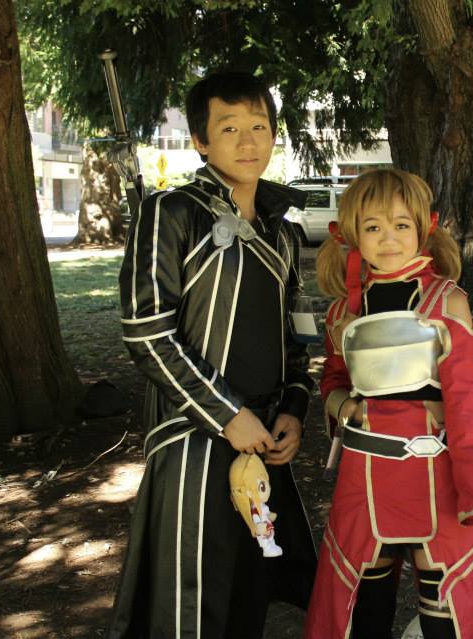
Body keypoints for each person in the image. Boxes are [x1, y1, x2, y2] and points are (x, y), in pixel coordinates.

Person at [109, 71, 317, 639]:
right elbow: (147, 333)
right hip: (193, 442)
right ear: (200, 140)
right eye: (229, 129)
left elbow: (295, 336)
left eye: (259, 127)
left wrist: (294, 409)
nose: (249, 142)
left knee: (250, 594)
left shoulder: (282, 230)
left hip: (264, 437)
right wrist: (227, 414)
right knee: (192, 604)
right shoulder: (170, 213)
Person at [304, 169, 473, 639]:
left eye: (401, 224)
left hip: (438, 474)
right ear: (352, 233)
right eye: (373, 227)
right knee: (360, 602)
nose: (388, 238)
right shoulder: (342, 311)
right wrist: (345, 406)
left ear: (423, 227)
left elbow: (464, 405)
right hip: (365, 475)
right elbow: (333, 379)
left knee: (448, 604)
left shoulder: (447, 302)